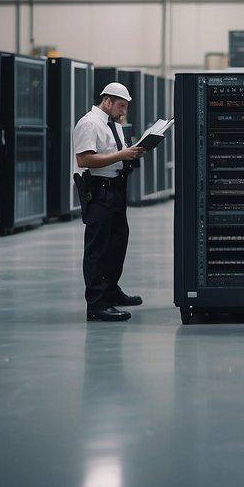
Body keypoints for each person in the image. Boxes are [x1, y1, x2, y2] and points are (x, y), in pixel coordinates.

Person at [73, 82, 146, 321]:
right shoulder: (89, 123)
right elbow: (85, 160)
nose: (123, 112)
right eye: (121, 106)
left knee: (117, 244)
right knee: (97, 249)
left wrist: (132, 153)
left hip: (115, 190)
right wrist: (121, 155)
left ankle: (111, 292)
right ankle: (96, 304)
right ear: (107, 101)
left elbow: (115, 155)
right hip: (99, 192)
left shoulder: (113, 124)